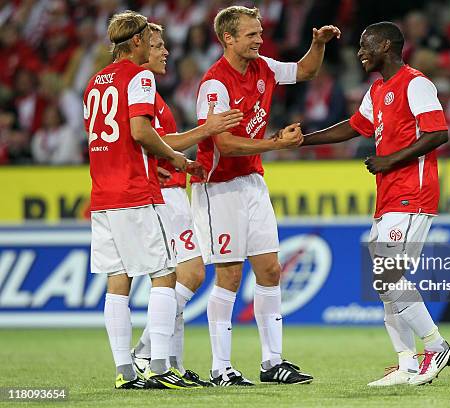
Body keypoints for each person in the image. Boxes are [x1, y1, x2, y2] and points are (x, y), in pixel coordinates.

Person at [298, 21, 450, 387]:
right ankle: (407, 362)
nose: (359, 51)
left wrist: (390, 159)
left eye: (366, 44)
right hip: (387, 197)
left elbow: (438, 132)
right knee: (384, 283)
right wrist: (302, 140)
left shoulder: (416, 83)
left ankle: (436, 345)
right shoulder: (378, 89)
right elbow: (353, 127)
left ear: (386, 45)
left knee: (387, 276)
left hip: (412, 194)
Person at [191, 5, 340, 386]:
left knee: (271, 270)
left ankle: (272, 362)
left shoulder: (264, 68)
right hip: (218, 186)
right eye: (252, 34)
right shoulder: (215, 84)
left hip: (252, 183)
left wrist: (317, 44)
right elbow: (223, 143)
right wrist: (275, 144)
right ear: (228, 38)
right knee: (228, 275)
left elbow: (305, 70)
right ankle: (220, 367)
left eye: (259, 32)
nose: (260, 38)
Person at [83, 10, 201, 390]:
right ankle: (161, 365)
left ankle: (125, 372)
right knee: (164, 274)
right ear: (136, 41)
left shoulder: (93, 83)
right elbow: (138, 130)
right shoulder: (139, 75)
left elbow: (107, 137)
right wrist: (176, 158)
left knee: (117, 281)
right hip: (134, 191)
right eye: (149, 41)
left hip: (102, 194)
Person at [131, 22, 243, 387]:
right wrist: (208, 129)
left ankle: (170, 360)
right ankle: (148, 351)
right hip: (163, 195)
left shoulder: (152, 94)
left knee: (182, 275)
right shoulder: (141, 88)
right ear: (138, 47)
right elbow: (154, 139)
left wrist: (179, 161)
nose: (165, 51)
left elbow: (161, 144)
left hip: (173, 187)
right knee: (190, 273)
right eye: (157, 45)